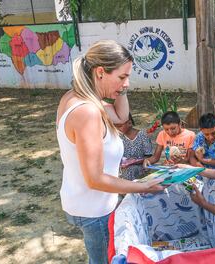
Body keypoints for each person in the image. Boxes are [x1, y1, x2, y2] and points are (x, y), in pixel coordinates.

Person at [56, 40, 165, 264]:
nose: (127, 84)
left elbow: (122, 117)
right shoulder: (88, 112)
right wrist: (142, 186)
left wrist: (119, 88)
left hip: (81, 202)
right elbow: (95, 179)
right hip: (94, 210)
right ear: (100, 73)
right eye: (123, 77)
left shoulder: (75, 98)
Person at [116, 113, 153, 180]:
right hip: (123, 168)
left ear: (129, 123)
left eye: (120, 126)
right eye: (116, 126)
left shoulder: (142, 135)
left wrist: (134, 162)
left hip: (140, 167)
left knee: (130, 170)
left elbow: (149, 156)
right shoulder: (119, 137)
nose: (118, 129)